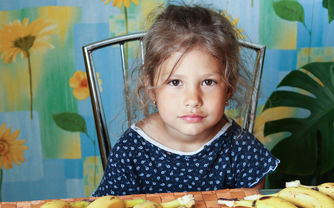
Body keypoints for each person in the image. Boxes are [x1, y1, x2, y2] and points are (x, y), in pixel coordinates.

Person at [92, 4, 279, 197]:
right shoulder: (131, 151)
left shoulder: (241, 149)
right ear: (151, 88)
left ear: (229, 87)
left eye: (208, 82)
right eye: (175, 82)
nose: (192, 99)